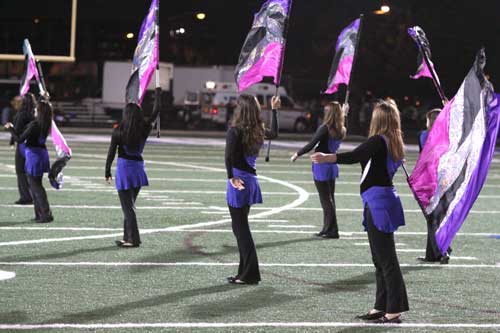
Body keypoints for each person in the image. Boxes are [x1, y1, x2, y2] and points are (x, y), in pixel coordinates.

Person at [311, 100, 409, 323]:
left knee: (386, 259)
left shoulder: (378, 141)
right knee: (380, 259)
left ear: (379, 119)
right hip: (380, 200)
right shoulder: (393, 140)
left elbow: (355, 155)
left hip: (379, 203)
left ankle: (394, 310)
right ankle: (380, 306)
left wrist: (328, 157)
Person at [225, 94, 279, 285]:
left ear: (241, 110)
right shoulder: (258, 129)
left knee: (241, 229)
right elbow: (275, 134)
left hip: (238, 181)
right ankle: (243, 272)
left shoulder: (235, 131)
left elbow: (229, 158)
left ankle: (250, 274)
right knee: (240, 227)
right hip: (251, 180)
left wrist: (231, 178)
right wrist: (274, 110)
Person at [105, 101, 160, 248]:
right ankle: (127, 237)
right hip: (138, 169)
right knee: (129, 205)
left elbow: (111, 152)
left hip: (124, 170)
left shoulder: (118, 130)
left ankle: (133, 239)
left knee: (128, 207)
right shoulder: (144, 129)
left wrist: (107, 171)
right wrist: (158, 94)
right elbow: (155, 112)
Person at [291, 101, 346, 239]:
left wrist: (298, 154)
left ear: (329, 113)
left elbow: (312, 144)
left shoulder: (325, 128)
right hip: (332, 165)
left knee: (326, 200)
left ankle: (331, 231)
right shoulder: (341, 129)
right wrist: (344, 114)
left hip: (321, 166)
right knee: (330, 199)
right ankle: (329, 229)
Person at [5, 99, 54, 223]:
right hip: (41, 153)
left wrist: (10, 128)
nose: (34, 110)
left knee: (36, 186)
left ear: (40, 111)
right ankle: (40, 214)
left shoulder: (35, 124)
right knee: (35, 185)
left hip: (33, 156)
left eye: (37, 109)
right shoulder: (46, 123)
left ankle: (46, 214)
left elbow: (20, 139)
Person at [416, 108, 450, 264]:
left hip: (431, 181)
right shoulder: (447, 135)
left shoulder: (425, 135)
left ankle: (443, 250)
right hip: (444, 179)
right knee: (435, 218)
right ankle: (433, 254)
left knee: (432, 218)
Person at [10, 94, 36, 205]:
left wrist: (10, 130)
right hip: (32, 146)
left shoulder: (22, 114)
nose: (15, 103)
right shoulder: (34, 113)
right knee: (29, 172)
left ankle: (26, 197)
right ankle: (31, 195)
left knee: (20, 171)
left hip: (23, 146)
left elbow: (17, 131)